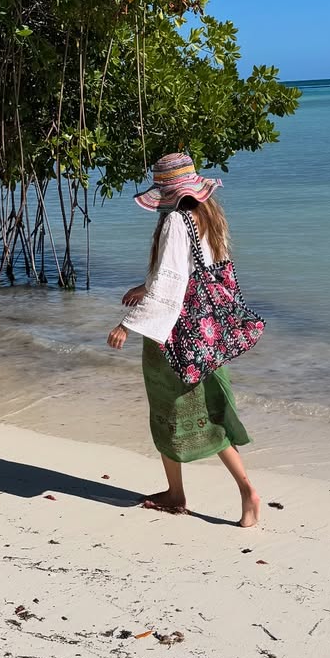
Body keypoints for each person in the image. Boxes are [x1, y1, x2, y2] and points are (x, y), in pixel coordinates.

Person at [107, 151, 261, 528]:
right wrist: (146, 287)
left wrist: (127, 324)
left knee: (168, 411)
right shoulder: (210, 216)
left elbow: (170, 284)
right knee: (208, 409)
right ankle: (238, 491)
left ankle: (189, 493)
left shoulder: (175, 220)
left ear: (168, 192)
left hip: (174, 336)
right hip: (205, 330)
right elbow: (195, 273)